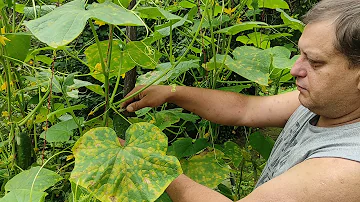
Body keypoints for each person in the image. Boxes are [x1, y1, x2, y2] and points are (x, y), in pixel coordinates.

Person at [121, 0, 360, 201]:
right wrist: (172, 91)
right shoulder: (328, 105)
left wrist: (152, 166)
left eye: (315, 62)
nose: (294, 69)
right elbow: (245, 109)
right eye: (300, 54)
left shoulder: (347, 168)